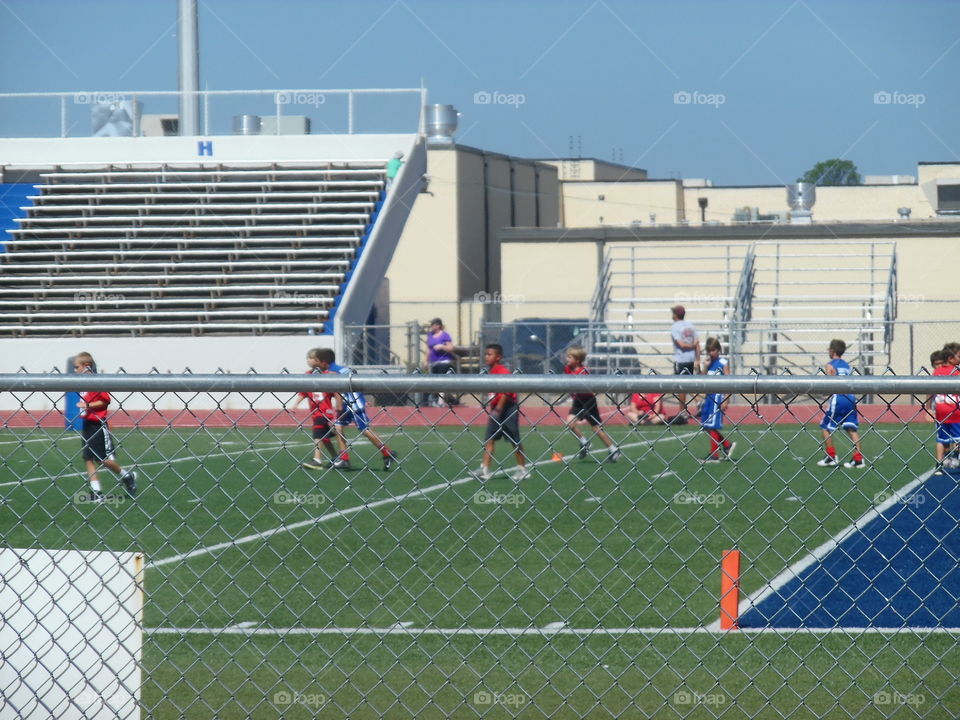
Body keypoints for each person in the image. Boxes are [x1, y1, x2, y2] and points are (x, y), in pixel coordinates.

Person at [315, 348, 399, 471]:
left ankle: (387, 452)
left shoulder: (331, 373)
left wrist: (337, 410)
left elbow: (337, 392)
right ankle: (344, 457)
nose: (315, 363)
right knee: (337, 426)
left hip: (352, 404)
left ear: (324, 362)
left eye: (316, 360)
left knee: (364, 429)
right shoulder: (342, 369)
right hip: (352, 401)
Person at [74, 352, 137, 501]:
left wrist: (87, 405)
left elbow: (105, 400)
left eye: (77, 367)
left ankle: (127, 476)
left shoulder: (95, 381)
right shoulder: (82, 382)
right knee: (88, 459)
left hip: (97, 424)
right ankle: (97, 492)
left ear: (86, 366)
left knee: (101, 459)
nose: (75, 370)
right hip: (87, 424)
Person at [561, 346, 621, 461]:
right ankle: (585, 442)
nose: (567, 359)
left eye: (570, 357)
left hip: (588, 401)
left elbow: (586, 386)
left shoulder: (584, 371)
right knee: (570, 423)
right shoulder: (567, 369)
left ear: (577, 360)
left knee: (596, 428)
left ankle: (613, 449)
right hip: (578, 402)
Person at [479, 344, 529, 480]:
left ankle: (522, 469)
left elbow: (507, 392)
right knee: (489, 439)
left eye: (490, 354)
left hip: (507, 409)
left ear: (498, 357)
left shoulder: (502, 371)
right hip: (496, 410)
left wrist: (499, 408)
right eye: (486, 354)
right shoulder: (490, 371)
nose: (486, 357)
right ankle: (484, 468)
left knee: (514, 439)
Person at [816, 339, 866, 468]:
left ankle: (831, 456)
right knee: (851, 428)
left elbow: (831, 383)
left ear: (832, 351)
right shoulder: (846, 365)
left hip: (838, 398)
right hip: (850, 397)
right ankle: (858, 459)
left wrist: (823, 393)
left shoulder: (830, 365)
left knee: (825, 426)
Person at [290, 348, 341, 470]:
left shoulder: (327, 375)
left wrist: (339, 408)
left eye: (310, 358)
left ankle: (317, 459)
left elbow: (336, 393)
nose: (308, 360)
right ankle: (336, 457)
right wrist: (295, 404)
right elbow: (303, 392)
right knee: (324, 436)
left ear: (318, 360)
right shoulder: (308, 375)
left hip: (324, 411)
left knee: (318, 434)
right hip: (315, 412)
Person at [698, 338, 736, 463]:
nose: (711, 353)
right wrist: (704, 367)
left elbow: (729, 382)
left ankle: (715, 454)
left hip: (717, 396)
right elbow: (702, 379)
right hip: (709, 396)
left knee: (711, 424)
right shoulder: (710, 363)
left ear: (718, 350)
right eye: (709, 351)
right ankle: (726, 445)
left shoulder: (723, 362)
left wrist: (726, 399)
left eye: (713, 350)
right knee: (706, 424)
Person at [931, 343, 960, 474]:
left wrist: (929, 408)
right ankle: (955, 457)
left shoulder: (937, 372)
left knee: (941, 440)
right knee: (958, 438)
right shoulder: (957, 371)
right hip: (955, 411)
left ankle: (939, 464)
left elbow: (929, 390)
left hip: (941, 412)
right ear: (950, 358)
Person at [670, 305, 700, 417]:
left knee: (681, 386)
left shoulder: (675, 327)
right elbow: (697, 343)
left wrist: (691, 345)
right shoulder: (690, 326)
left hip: (681, 359)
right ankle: (698, 401)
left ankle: (682, 411)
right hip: (690, 359)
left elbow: (681, 344)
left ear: (676, 315)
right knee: (688, 383)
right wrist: (698, 358)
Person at [426, 318, 456, 408]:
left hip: (443, 361)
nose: (431, 326)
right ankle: (435, 399)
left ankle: (441, 401)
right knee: (433, 381)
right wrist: (426, 361)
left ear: (438, 325)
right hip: (433, 362)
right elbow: (428, 349)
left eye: (433, 324)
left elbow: (451, 348)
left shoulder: (444, 335)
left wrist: (442, 346)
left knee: (441, 381)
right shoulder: (430, 335)